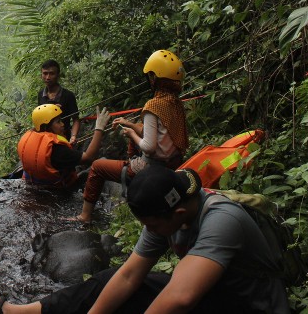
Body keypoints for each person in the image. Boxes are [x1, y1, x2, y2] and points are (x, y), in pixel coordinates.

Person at [0, 166, 291, 313]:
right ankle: (21, 313)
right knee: (111, 281)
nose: (148, 232)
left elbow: (180, 298)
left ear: (177, 214)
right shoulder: (167, 216)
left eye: (151, 225)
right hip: (214, 295)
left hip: (250, 305)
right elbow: (128, 275)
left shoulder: (223, 221)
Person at [72, 50, 188, 223]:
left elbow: (149, 146)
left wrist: (132, 133)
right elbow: (165, 136)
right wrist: (132, 125)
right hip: (175, 162)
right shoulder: (175, 103)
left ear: (153, 78)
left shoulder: (154, 105)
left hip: (153, 166)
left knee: (97, 166)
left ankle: (85, 216)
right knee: (131, 146)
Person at [18, 104, 109, 187]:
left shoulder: (28, 137)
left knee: (78, 166)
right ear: (46, 127)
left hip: (36, 184)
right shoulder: (57, 149)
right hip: (60, 189)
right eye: (58, 122)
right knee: (102, 162)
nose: (62, 124)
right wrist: (99, 128)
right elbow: (89, 157)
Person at [38, 60, 81, 140]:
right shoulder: (41, 95)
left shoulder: (68, 95)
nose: (48, 77)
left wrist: (73, 136)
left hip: (64, 138)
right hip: (47, 140)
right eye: (45, 73)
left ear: (58, 75)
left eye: (51, 74)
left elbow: (76, 120)